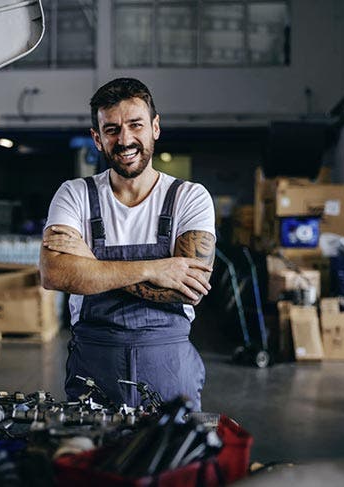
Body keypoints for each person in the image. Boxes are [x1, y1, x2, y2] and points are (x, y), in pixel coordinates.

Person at [39, 78, 216, 410]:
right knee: (95, 458)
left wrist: (91, 267)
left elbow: (188, 288)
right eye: (112, 129)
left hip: (169, 366)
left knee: (172, 458)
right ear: (97, 138)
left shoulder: (190, 197)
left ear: (155, 127)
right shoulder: (75, 194)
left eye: (136, 125)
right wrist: (156, 268)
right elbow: (55, 274)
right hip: (94, 365)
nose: (125, 139)